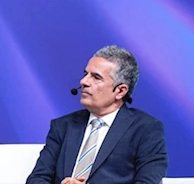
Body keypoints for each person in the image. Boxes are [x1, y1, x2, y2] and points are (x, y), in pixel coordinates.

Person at [26, 45, 167, 184]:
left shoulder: (146, 129)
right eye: (85, 74)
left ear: (120, 91)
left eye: (96, 77)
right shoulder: (63, 126)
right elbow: (36, 179)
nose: (83, 82)